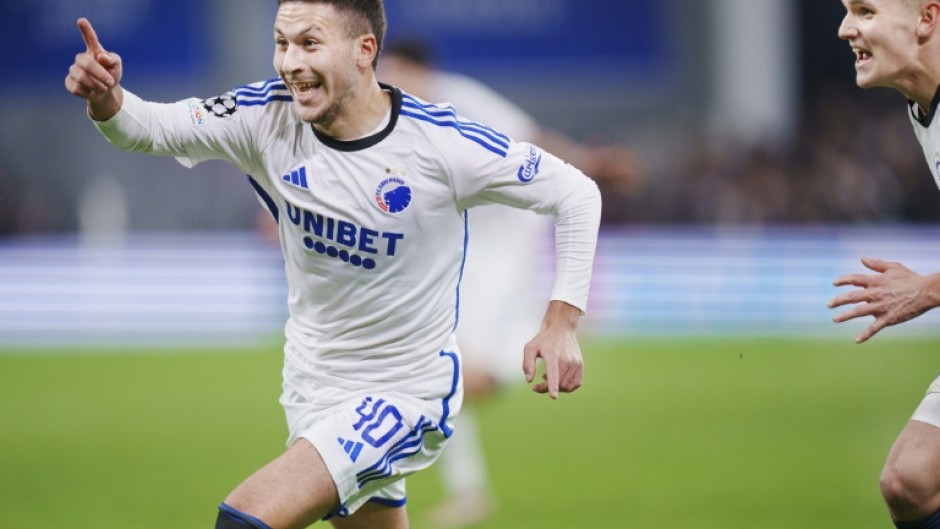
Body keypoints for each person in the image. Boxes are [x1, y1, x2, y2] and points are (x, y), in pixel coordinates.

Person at [64, 1, 602, 528]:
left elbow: (576, 193)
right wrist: (107, 99)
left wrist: (560, 321)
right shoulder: (264, 118)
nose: (290, 62)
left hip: (405, 392)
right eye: (281, 43)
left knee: (246, 518)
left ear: (365, 50)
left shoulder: (441, 143)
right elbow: (149, 128)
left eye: (309, 43)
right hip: (310, 386)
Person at [376, 38, 639, 529]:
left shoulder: (462, 99)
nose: (393, 84)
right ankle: (468, 488)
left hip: (505, 231)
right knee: (443, 367)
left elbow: (529, 139)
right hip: (464, 235)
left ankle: (518, 345)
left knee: (458, 372)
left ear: (421, 71)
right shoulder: (394, 113)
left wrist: (586, 159)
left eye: (398, 72)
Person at [830, 1, 940, 527]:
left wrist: (929, 289)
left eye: (865, 11)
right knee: (909, 481)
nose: (845, 28)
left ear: (927, 18)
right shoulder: (922, 104)